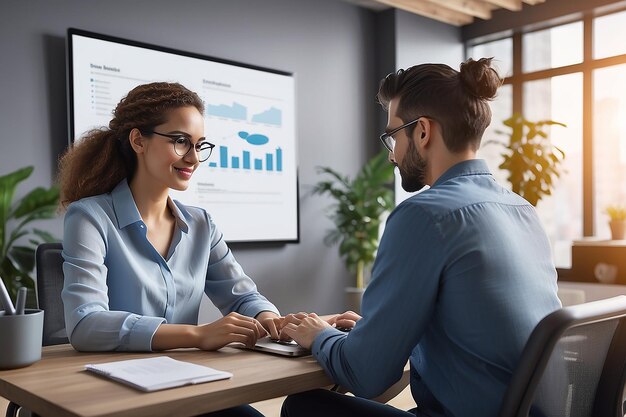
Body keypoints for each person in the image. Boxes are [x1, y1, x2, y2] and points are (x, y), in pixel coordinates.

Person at [279, 58, 562, 417]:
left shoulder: (424, 215)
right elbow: (478, 329)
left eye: (393, 135)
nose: (393, 154)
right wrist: (377, 333)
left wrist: (318, 334)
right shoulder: (522, 210)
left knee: (304, 407)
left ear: (423, 132)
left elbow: (366, 376)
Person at [58, 82, 281, 417]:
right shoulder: (89, 217)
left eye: (199, 145)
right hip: (113, 396)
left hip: (188, 386)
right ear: (138, 141)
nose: (193, 158)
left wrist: (273, 322)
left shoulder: (202, 225)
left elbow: (242, 297)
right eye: (180, 142)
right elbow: (85, 324)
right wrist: (198, 335)